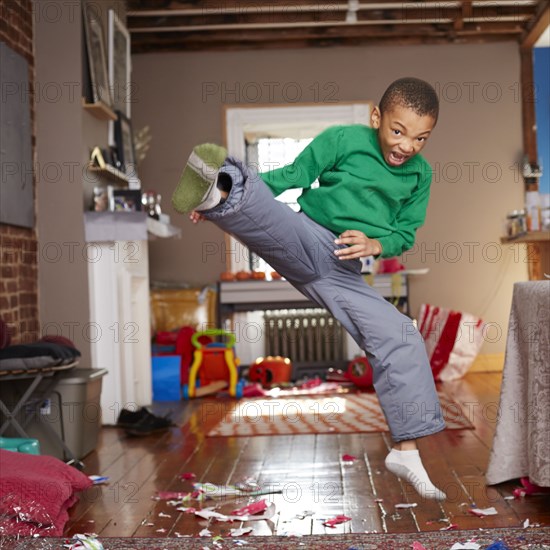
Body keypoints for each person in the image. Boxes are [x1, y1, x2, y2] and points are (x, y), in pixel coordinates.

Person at [172, 77, 446, 501]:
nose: (408, 145)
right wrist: (224, 207)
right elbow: (293, 175)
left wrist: (377, 244)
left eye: (420, 138)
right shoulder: (343, 139)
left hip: (344, 273)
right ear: (377, 117)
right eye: (398, 131)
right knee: (266, 210)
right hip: (308, 238)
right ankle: (222, 189)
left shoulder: (420, 175)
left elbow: (406, 233)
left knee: (402, 336)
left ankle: (406, 449)